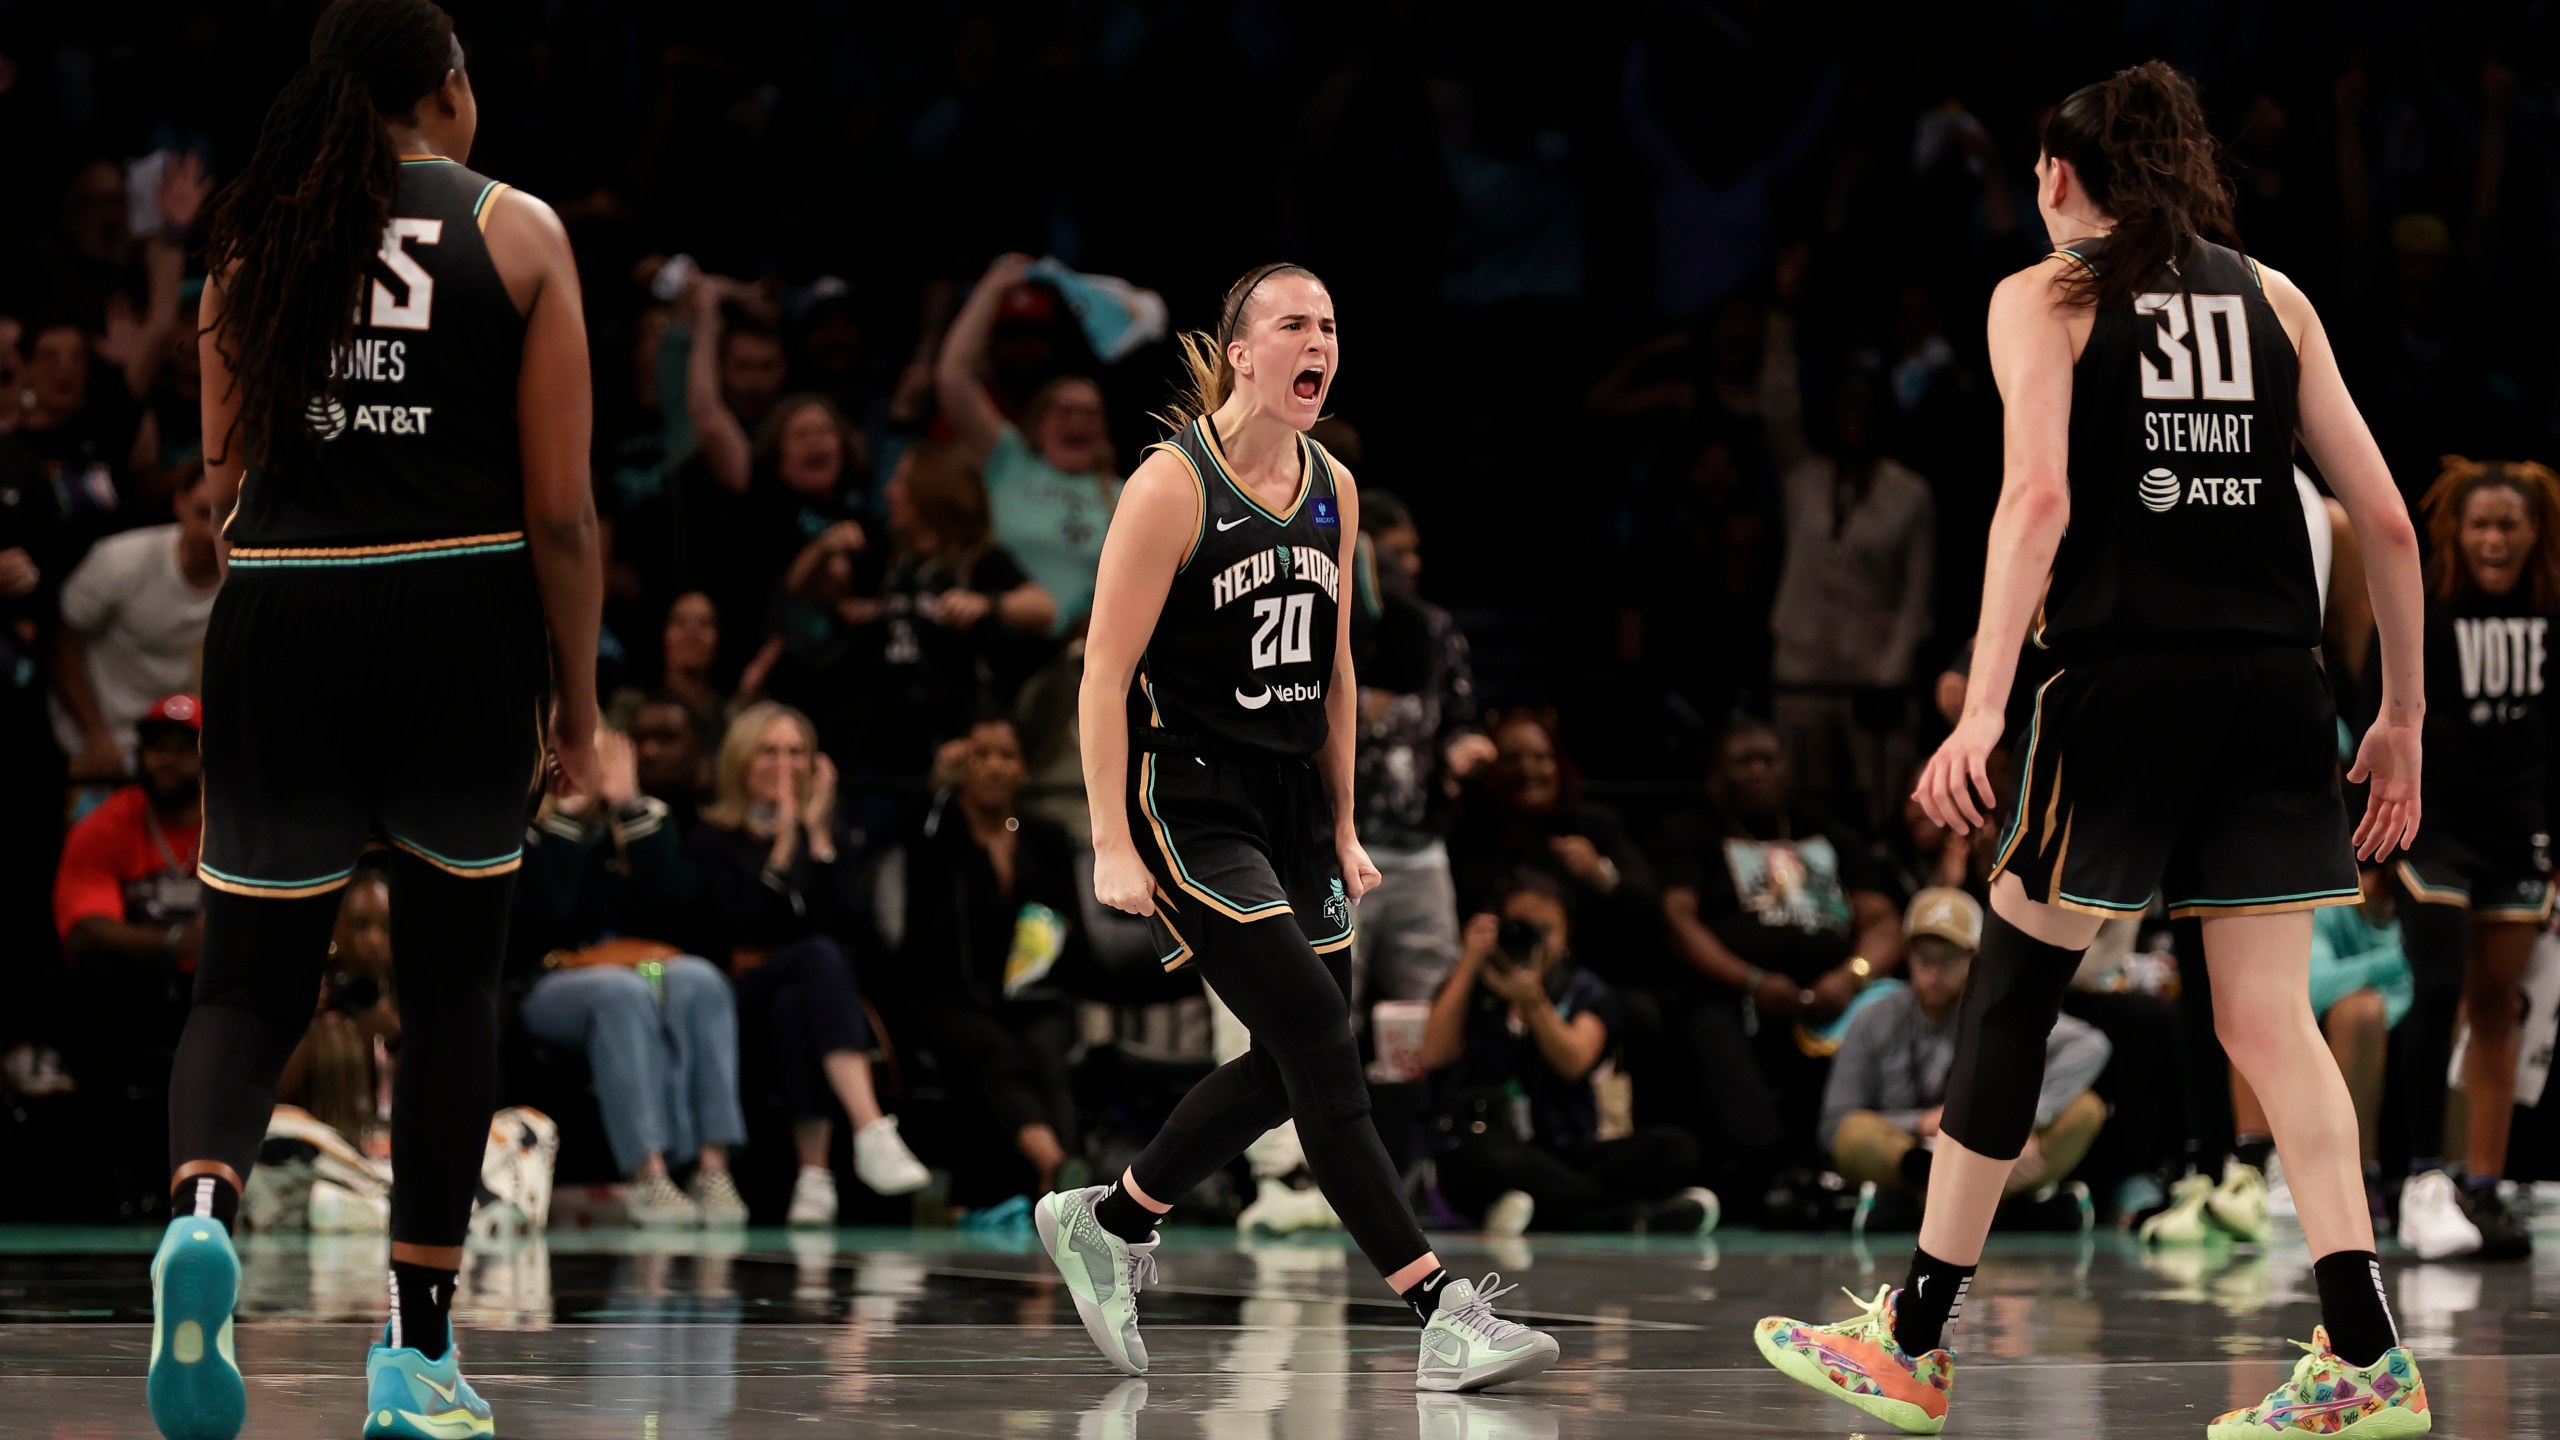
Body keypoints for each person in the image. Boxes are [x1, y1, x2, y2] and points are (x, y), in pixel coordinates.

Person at [1753, 62, 2433, 1439]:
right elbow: (2390, 522)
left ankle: (1920, 1339)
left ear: (2059, 177)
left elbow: (2039, 496)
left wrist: (1985, 704)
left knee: (2010, 995)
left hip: (2123, 691)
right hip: (2274, 694)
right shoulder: (2275, 295)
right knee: (2266, 1023)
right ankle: (2366, 1354)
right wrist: (2404, 721)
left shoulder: (2046, 292)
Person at [150, 6, 606, 1436]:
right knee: (451, 987)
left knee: (244, 986)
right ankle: (413, 1355)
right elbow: (561, 512)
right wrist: (578, 702)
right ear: (450, 94)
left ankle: (204, 1211)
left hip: (284, 607)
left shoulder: (248, 247)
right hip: (459, 615)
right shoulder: (518, 231)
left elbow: (225, 481)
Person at [1041, 262, 1557, 1393]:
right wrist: (1109, 842)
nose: (1316, 341)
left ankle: (1112, 1220)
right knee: (1324, 1035)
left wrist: (1342, 821)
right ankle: (1437, 1305)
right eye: (1292, 324)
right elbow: (1100, 675)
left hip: (1290, 808)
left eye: (1329, 324)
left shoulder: (1334, 482)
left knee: (1289, 1063)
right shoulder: (1171, 488)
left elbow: (1335, 668)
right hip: (1190, 800)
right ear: (1242, 352)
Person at [2381, 456, 2560, 1262]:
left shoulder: (2552, 607)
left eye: (2507, 525)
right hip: (2433, 822)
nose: (2492, 538)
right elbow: (2377, 707)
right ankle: (2420, 1177)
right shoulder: (2426, 602)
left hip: (2518, 828)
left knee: (2499, 1007)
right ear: (2455, 530)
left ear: (2535, 533)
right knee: (2439, 986)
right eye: (2479, 524)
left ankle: (2483, 1188)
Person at [686, 702, 931, 1222]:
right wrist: (782, 844)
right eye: (769, 750)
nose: (784, 764)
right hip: (732, 997)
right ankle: (870, 1127)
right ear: (739, 761)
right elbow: (739, 926)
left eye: (797, 752)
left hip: (805, 1004)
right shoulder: (712, 838)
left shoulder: (831, 838)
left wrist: (817, 839)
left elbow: (849, 930)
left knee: (800, 998)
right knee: (814, 961)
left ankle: (814, 1180)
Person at [1653, 718, 1904, 1204]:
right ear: (1715, 777)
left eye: (1768, 759)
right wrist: (1751, 980)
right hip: (1737, 988)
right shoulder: (1693, 832)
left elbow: (1883, 919)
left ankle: (1883, 1158)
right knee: (1702, 1013)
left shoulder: (1823, 828)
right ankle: (1776, 1171)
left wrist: (1853, 977)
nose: (1758, 770)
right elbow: (1679, 923)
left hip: (1835, 986)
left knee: (1895, 1005)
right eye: (1742, 762)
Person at [512, 729, 748, 1229]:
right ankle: (650, 1173)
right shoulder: (527, 826)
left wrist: (630, 806)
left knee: (701, 980)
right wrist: (571, 817)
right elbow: (545, 911)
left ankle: (712, 1167)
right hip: (553, 975)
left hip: (643, 966)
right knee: (622, 995)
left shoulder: (647, 819)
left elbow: (676, 903)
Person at [1424, 873, 1713, 1234]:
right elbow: (1433, 1054)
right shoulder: (1472, 985)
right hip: (1490, 1147)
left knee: (1675, 1148)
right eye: (1521, 926)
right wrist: (1468, 962)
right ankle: (1632, 1218)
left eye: (1547, 929)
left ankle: (1536, 1209)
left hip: (1563, 1152)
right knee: (1486, 1158)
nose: (1535, 939)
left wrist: (1532, 1000)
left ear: (1566, 935)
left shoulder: (1584, 991)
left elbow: (1574, 1062)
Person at [1822, 889, 2109, 1225]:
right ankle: (1975, 1201)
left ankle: (1942, 1204)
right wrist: (1921, 1122)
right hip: (1911, 1149)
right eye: (1923, 958)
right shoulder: (1873, 1017)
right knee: (1854, 1133)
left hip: (1990, 1147)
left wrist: (2022, 1122)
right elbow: (1835, 1124)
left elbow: (2092, 1046)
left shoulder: (1999, 1012)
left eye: (1948, 959)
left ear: (1975, 958)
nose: (1933, 973)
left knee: (2086, 1109)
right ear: (1906, 954)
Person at [894, 718, 1087, 1195]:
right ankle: (1060, 1170)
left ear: (1024, 769)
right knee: (995, 1050)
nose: (995, 767)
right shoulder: (937, 835)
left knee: (1046, 1052)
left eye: (1007, 755)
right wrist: (938, 790)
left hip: (1031, 993)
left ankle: (1058, 1184)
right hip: (950, 995)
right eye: (980, 755)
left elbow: (1072, 926)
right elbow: (920, 936)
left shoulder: (1045, 839)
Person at [55, 695, 207, 1218]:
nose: (166, 760)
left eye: (183, 749)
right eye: (156, 748)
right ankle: (111, 1180)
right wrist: (173, 943)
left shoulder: (233, 828)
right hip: (136, 993)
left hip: (210, 992)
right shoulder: (108, 825)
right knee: (92, 981)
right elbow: (84, 930)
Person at [1767, 367, 1938, 829]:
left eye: (1864, 404)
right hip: (1802, 665)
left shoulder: (1909, 494)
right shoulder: (1802, 480)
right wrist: (1780, 320)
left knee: (1881, 790)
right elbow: (1778, 409)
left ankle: (1881, 863)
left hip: (1873, 669)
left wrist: (1891, 672)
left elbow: (1915, 595)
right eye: (1844, 403)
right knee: (1799, 787)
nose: (1853, 415)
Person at [936, 253, 1119, 635]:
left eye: (1090, 413)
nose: (1078, 421)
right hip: (1000, 641)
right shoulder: (1010, 459)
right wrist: (994, 286)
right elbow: (954, 376)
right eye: (1065, 411)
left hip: (1083, 657)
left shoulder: (1126, 494)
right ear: (1036, 424)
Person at [49, 464, 224, 778]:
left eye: (225, 520)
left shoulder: (245, 583)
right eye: (202, 513)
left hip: (186, 756)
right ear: (179, 503)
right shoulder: (119, 560)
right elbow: (61, 645)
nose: (211, 532)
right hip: (101, 747)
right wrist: (95, 734)